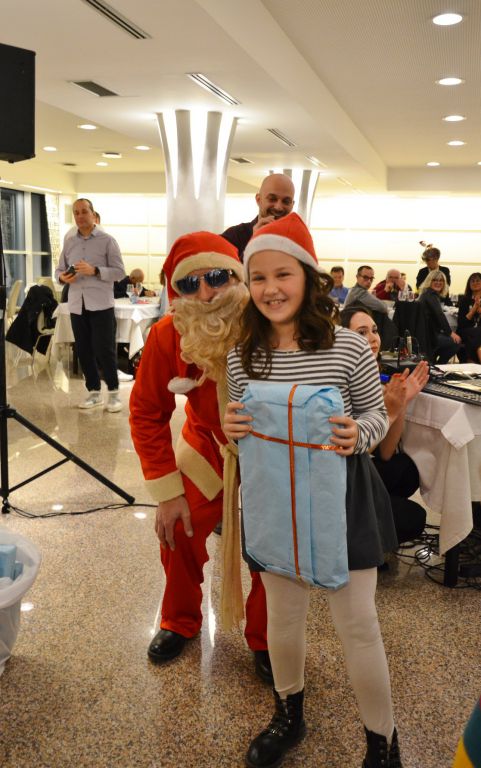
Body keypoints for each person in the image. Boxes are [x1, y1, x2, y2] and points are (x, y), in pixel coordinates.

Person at [224, 213, 402, 768]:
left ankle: (382, 742)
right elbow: (239, 431)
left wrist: (359, 434)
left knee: (358, 624)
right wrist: (231, 429)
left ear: (307, 276)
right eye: (258, 277)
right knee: (283, 616)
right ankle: (288, 714)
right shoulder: (242, 355)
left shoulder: (348, 348)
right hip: (273, 495)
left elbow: (375, 416)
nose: (271, 289)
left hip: (340, 498)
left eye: (283, 274)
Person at [129, 232, 270, 681]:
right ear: (177, 292)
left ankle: (268, 637)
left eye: (217, 278)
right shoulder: (166, 334)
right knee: (177, 527)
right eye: (190, 285)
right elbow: (147, 412)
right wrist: (167, 492)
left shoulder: (269, 322)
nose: (207, 294)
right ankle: (179, 619)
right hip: (208, 443)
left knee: (274, 545)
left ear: (238, 277)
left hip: (269, 448)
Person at [340, 304, 428, 546]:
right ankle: (357, 533)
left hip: (361, 466)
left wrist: (401, 402)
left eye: (374, 330)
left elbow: (386, 453)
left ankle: (372, 517)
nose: (373, 338)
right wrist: (389, 411)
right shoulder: (341, 378)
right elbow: (354, 447)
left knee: (406, 469)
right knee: (413, 518)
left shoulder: (374, 375)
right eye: (362, 332)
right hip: (344, 474)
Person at [55, 198, 126, 412]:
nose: (80, 216)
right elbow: (59, 270)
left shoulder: (107, 241)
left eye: (84, 211)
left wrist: (95, 271)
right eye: (76, 213)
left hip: (101, 304)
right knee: (83, 349)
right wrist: (62, 278)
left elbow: (120, 272)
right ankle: (94, 392)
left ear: (93, 214)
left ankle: (113, 394)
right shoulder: (70, 242)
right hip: (77, 304)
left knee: (104, 350)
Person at [221, 173, 295, 261]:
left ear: (292, 205)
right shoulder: (234, 236)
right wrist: (253, 244)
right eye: (272, 199)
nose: (278, 207)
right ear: (258, 200)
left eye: (286, 201)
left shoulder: (297, 242)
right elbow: (219, 269)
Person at [418, 270, 461, 364]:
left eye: (441, 280)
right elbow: (439, 315)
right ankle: (441, 364)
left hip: (427, 334)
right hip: (429, 336)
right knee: (456, 342)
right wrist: (450, 332)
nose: (438, 282)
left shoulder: (427, 294)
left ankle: (434, 361)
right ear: (429, 281)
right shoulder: (431, 295)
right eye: (435, 280)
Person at [457, 272, 481, 363]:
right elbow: (462, 323)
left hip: (477, 332)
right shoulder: (464, 300)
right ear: (469, 284)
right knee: (477, 332)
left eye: (478, 280)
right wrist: (474, 308)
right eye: (472, 281)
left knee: (477, 333)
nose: (475, 283)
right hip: (465, 330)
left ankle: (470, 360)